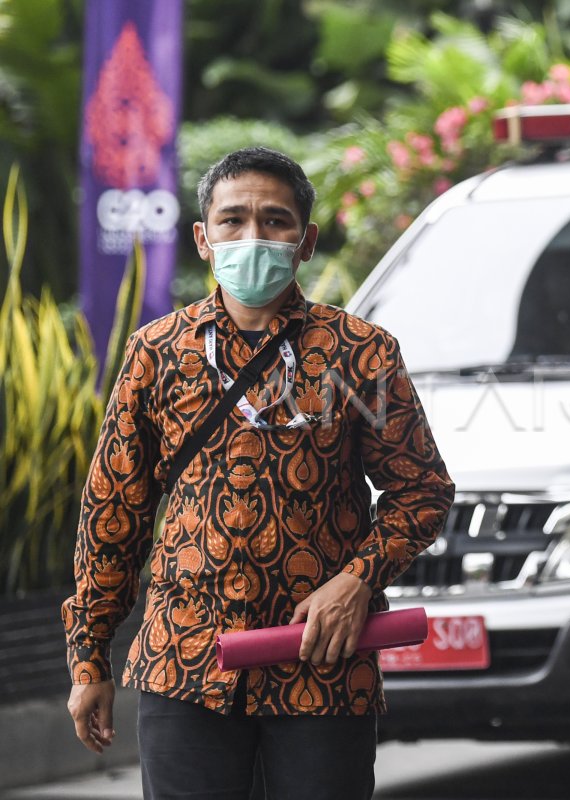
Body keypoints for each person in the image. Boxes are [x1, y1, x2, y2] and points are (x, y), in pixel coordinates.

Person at [63, 147, 454, 799]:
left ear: (306, 242)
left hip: (322, 669)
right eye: (233, 220)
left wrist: (357, 581)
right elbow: (113, 517)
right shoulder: (157, 353)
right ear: (203, 238)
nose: (253, 238)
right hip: (184, 664)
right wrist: (87, 659)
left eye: (275, 221)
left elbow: (422, 493)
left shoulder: (361, 353)